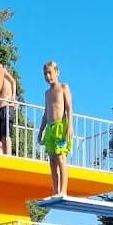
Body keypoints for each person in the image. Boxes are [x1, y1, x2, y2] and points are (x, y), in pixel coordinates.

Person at [37, 60, 73, 197]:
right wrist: (41, 131)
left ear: (57, 72)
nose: (48, 76)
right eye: (45, 74)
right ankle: (55, 190)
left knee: (60, 158)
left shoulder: (64, 87)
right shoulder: (47, 93)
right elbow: (46, 113)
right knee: (51, 160)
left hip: (61, 126)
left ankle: (63, 190)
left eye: (50, 73)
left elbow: (69, 108)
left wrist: (70, 126)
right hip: (50, 128)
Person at [0, 68, 17, 155]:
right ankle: (2, 154)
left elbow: (14, 82)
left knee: (7, 134)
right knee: (0, 136)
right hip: (1, 109)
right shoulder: (1, 80)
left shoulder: (8, 79)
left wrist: (13, 97)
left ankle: (8, 154)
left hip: (7, 107)